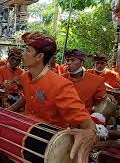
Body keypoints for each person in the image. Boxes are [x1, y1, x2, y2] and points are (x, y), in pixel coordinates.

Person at [9, 31, 97, 163]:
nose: (23, 54)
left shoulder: (60, 85)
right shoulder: (25, 77)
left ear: (39, 56)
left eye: (27, 50)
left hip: (49, 144)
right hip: (26, 132)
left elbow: (85, 122)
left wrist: (91, 132)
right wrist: (3, 114)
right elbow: (25, 98)